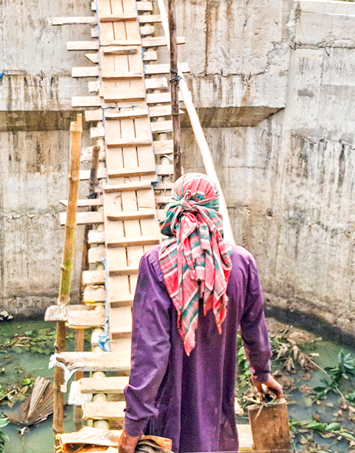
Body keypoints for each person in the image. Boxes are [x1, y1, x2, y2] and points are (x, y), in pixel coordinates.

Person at [120, 174, 282, 453]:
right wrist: (262, 373)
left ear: (174, 209)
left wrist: (133, 425)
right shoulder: (241, 263)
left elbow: (150, 353)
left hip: (170, 411)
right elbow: (254, 327)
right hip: (216, 405)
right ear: (215, 210)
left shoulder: (156, 264)